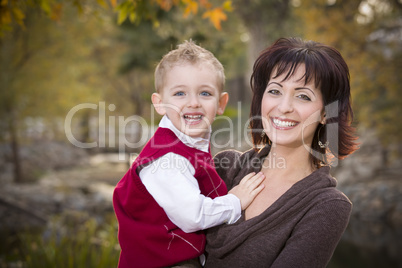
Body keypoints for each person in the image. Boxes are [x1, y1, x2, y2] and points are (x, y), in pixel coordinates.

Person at [205, 37, 359, 267]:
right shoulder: (225, 167)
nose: (284, 107)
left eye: (303, 96)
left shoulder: (326, 205)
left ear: (327, 112)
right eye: (275, 91)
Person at [113, 40, 265, 268]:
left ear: (221, 102)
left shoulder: (193, 141)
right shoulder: (167, 160)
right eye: (180, 93)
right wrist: (235, 201)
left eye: (205, 93)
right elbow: (193, 216)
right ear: (160, 103)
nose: (193, 103)